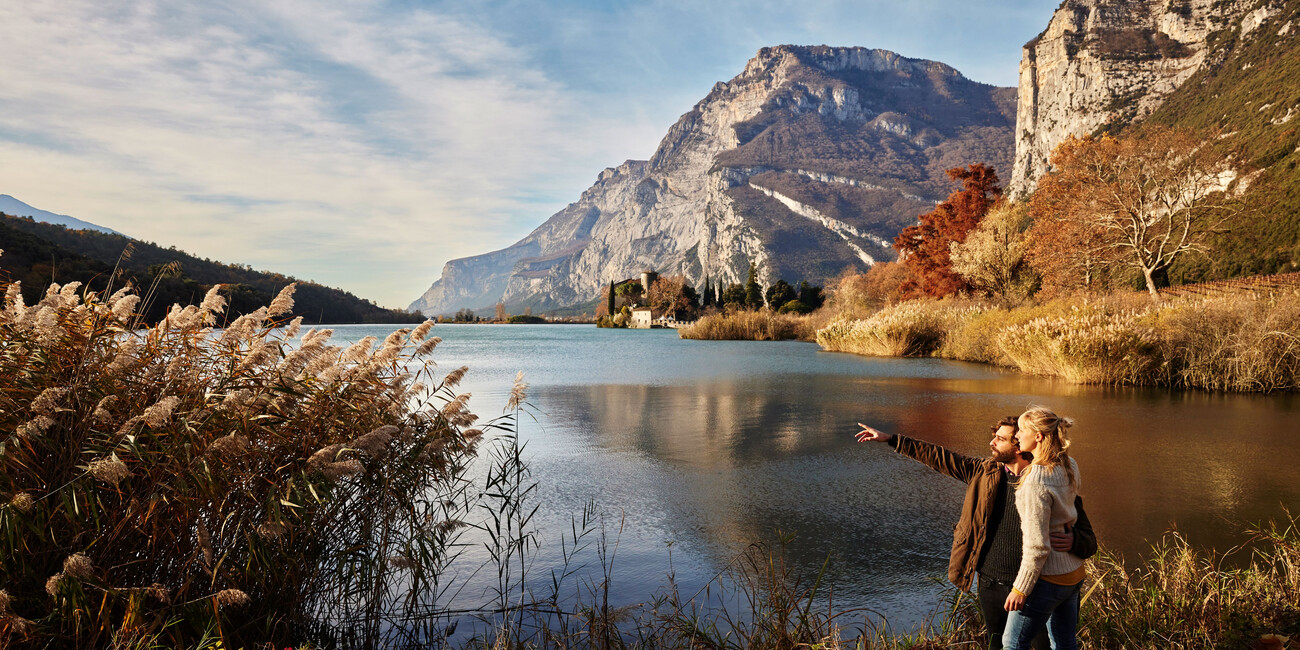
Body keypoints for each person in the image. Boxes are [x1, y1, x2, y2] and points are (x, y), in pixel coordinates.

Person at [855, 416, 1095, 650]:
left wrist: (1074, 540)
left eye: (1000, 439)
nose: (992, 443)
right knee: (996, 643)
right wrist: (891, 439)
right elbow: (940, 457)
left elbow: (1087, 538)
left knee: (1037, 644)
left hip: (1031, 584)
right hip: (990, 581)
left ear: (1019, 446)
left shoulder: (1047, 480)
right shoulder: (984, 472)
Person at [1001, 407, 1082, 650]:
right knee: (1064, 642)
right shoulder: (1069, 464)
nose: (1017, 436)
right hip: (1074, 573)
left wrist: (1020, 589)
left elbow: (1037, 546)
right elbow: (1070, 514)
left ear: (1038, 436)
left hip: (1048, 578)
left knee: (1012, 643)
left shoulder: (1036, 479)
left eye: (1022, 431)